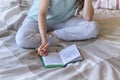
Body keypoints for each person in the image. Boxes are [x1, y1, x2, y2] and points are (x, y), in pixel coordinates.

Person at [15, 0, 99, 56]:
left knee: (93, 28)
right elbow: (42, 14)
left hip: (62, 20)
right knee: (22, 39)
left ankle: (54, 34)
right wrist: (44, 41)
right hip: (36, 19)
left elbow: (88, 18)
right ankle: (57, 36)